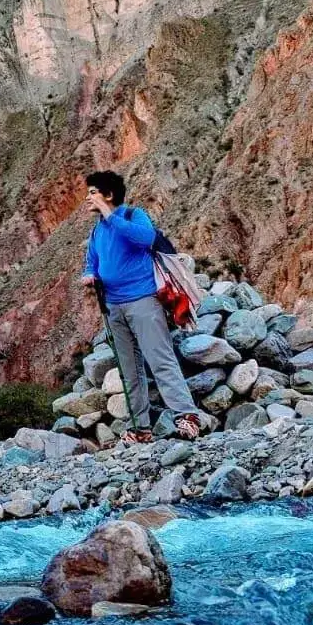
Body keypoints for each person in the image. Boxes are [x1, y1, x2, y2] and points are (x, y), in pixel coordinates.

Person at [81, 171, 203, 444]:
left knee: (159, 358)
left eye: (92, 192)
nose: (87, 198)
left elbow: (145, 238)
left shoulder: (131, 216)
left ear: (108, 195)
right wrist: (90, 274)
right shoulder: (96, 230)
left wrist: (110, 216)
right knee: (129, 369)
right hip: (113, 305)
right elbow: (91, 260)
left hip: (143, 300)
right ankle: (140, 427)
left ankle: (187, 416)